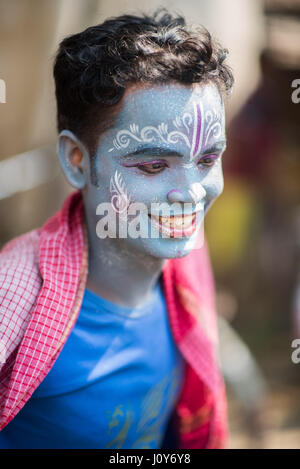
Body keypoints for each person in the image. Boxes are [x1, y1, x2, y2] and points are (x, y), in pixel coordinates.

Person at [0, 9, 233, 449]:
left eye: (206, 160)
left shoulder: (184, 262)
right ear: (76, 160)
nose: (190, 194)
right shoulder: (13, 305)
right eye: (152, 165)